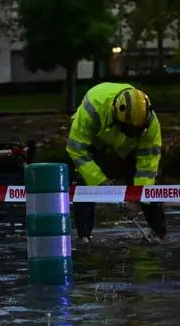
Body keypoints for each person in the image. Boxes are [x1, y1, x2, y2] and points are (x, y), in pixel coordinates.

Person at [65, 82, 166, 242]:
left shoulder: (150, 125)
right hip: (96, 144)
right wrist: (101, 184)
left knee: (150, 190)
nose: (133, 134)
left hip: (127, 150)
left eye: (138, 131)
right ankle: (84, 238)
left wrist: (138, 199)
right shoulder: (92, 109)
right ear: (115, 116)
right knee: (83, 185)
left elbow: (147, 168)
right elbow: (76, 150)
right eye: (130, 131)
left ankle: (159, 233)